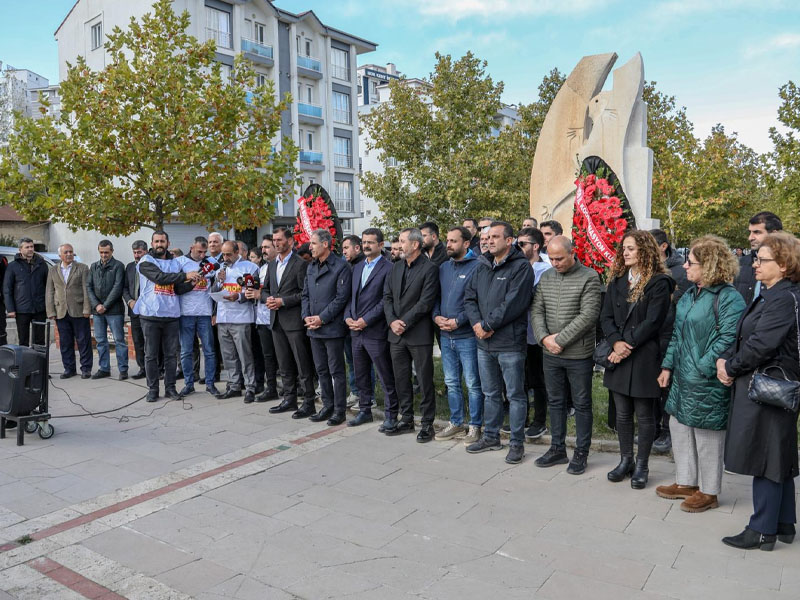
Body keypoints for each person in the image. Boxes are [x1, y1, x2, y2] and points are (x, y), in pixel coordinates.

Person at [718, 232, 800, 550]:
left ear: (783, 264)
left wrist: (731, 367)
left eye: (762, 259)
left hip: (769, 386)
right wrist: (726, 359)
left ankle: (762, 529)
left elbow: (761, 345)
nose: (755, 264)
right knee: (776, 455)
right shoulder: (775, 293)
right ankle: (782, 524)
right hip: (767, 384)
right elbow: (746, 336)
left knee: (764, 456)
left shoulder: (782, 297)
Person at [656, 235, 745, 511]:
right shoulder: (691, 294)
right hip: (683, 377)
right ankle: (686, 482)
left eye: (691, 262)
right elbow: (677, 335)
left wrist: (701, 367)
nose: (685, 266)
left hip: (706, 379)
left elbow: (728, 339)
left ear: (709, 265)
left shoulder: (729, 298)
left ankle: (709, 491)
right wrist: (668, 365)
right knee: (679, 426)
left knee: (707, 434)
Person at [600, 231, 674, 489]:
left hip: (643, 356)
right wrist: (615, 342)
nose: (625, 253)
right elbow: (606, 317)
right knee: (622, 414)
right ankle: (625, 460)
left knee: (644, 416)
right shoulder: (618, 280)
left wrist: (626, 345)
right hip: (619, 354)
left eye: (630, 248)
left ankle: (642, 465)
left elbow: (654, 321)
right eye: (624, 248)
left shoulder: (659, 282)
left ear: (645, 250)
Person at [463, 222, 533, 463]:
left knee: (514, 395)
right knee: (490, 393)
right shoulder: (482, 265)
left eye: (495, 237)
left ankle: (516, 443)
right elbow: (469, 297)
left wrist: (488, 325)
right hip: (484, 343)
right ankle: (491, 437)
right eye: (487, 237)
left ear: (510, 240)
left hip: (509, 343)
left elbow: (514, 303)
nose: (489, 241)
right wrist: (476, 324)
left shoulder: (521, 267)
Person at [531, 236, 602, 474]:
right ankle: (557, 449)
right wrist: (543, 338)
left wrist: (558, 340)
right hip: (550, 352)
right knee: (556, 401)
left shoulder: (590, 277)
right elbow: (537, 309)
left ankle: (581, 452)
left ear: (573, 253)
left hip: (578, 354)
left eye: (559, 258)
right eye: (550, 258)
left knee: (581, 404)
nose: (554, 263)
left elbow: (588, 315)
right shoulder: (547, 276)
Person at [383, 227, 439, 440]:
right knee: (401, 380)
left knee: (424, 381)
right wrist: (391, 322)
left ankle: (427, 424)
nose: (398, 245)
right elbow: (386, 297)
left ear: (415, 244)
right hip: (395, 335)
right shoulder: (396, 268)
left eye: (402, 241)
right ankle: (406, 419)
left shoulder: (430, 269)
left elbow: (425, 302)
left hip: (418, 334)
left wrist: (403, 322)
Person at [135, 231, 198, 401]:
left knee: (171, 355)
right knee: (151, 355)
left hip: (171, 315)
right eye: (156, 241)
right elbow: (160, 278)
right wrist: (185, 276)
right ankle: (153, 389)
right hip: (150, 315)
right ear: (152, 243)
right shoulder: (146, 261)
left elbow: (176, 288)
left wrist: (191, 284)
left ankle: (170, 388)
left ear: (168, 243)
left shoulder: (175, 263)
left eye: (162, 241)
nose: (159, 244)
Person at [432, 226, 482, 443]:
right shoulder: (444, 267)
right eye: (447, 240)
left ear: (466, 243)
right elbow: (435, 297)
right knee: (451, 382)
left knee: (472, 382)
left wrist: (459, 320)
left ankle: (475, 426)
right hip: (445, 335)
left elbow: (479, 302)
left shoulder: (478, 267)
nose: (448, 244)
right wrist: (436, 317)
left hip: (467, 336)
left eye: (453, 241)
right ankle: (456, 422)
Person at [345, 228, 398, 428]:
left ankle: (391, 415)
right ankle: (364, 410)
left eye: (371, 242)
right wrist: (348, 317)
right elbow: (352, 297)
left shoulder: (388, 268)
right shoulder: (358, 267)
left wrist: (366, 320)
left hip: (375, 331)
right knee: (360, 374)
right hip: (356, 331)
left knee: (384, 375)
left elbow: (386, 300)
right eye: (364, 242)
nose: (366, 246)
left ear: (381, 245)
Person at [301, 230, 352, 425]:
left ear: (325, 244)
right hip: (313, 327)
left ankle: (339, 410)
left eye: (313, 243)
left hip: (331, 328)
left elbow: (341, 298)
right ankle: (327, 405)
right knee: (321, 369)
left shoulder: (341, 266)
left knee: (336, 370)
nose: (310, 247)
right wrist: (306, 316)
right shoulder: (311, 266)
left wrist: (321, 318)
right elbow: (305, 294)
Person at [266, 226, 316, 418]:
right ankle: (289, 399)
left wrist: (283, 301)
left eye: (279, 240)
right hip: (276, 321)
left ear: (290, 241)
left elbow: (305, 293)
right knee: (284, 364)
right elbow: (266, 289)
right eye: (274, 240)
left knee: (302, 364)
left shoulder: (299, 263)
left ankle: (309, 401)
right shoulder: (272, 264)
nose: (276, 243)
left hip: (294, 321)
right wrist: (267, 299)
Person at [648, 229, 691, 453]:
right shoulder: (647, 269)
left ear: (663, 246)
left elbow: (676, 305)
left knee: (666, 385)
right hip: (649, 337)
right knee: (651, 385)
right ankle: (652, 428)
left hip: (668, 336)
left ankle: (667, 431)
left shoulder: (679, 272)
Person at [210, 241, 259, 403]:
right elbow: (214, 291)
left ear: (238, 252)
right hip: (224, 317)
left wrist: (238, 296)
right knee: (228, 355)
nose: (225, 258)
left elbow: (252, 292)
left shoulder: (250, 268)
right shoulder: (220, 269)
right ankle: (233, 386)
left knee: (245, 355)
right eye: (223, 254)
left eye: (229, 254)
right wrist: (219, 281)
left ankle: (251, 387)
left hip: (241, 318)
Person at [516, 227, 551, 440]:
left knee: (538, 379)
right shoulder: (516, 267)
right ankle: (521, 419)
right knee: (519, 380)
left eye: (522, 244)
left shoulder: (546, 270)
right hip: (517, 333)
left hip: (536, 334)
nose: (518, 248)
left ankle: (539, 420)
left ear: (535, 246)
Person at [176, 237, 219, 397]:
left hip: (205, 313)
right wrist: (190, 280)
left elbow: (216, 286)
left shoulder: (211, 262)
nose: (202, 255)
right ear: (191, 247)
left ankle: (210, 383)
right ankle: (189, 384)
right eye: (199, 251)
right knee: (186, 351)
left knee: (209, 350)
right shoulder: (180, 262)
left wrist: (215, 311)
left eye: (204, 252)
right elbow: (176, 286)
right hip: (186, 313)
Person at [45, 244, 92, 379]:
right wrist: (51, 311)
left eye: (71, 252)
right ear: (60, 255)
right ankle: (69, 369)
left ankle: (86, 369)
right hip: (61, 311)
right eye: (66, 252)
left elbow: (86, 289)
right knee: (65, 342)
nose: (69, 254)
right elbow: (50, 291)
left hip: (79, 310)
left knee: (83, 341)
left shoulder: (82, 268)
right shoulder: (53, 270)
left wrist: (87, 309)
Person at [87, 240, 128, 379]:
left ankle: (123, 369)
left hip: (114, 310)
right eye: (101, 252)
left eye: (106, 252)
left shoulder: (118, 266)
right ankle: (104, 368)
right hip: (97, 311)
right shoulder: (94, 267)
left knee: (119, 341)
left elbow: (118, 288)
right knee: (100, 341)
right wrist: (97, 305)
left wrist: (105, 305)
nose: (104, 255)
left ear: (112, 251)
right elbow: (89, 287)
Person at [247, 235, 279, 402]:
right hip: (261, 318)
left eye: (267, 247)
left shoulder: (280, 267)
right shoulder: (262, 268)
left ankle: (292, 388)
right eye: (263, 247)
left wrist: (262, 295)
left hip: (277, 318)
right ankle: (271, 387)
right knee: (267, 356)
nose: (264, 250)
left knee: (282, 356)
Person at [3, 237, 48, 347]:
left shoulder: (42, 264)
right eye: (27, 247)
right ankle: (24, 364)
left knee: (40, 340)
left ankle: (39, 363)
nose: (30, 249)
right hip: (21, 309)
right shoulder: (13, 266)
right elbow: (7, 288)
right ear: (20, 249)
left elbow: (48, 287)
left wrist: (49, 307)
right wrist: (10, 309)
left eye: (31, 246)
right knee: (23, 340)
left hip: (39, 308)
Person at [734, 211, 782, 305]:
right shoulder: (739, 264)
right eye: (750, 232)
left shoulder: (790, 265)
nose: (750, 238)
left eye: (757, 232)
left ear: (774, 234)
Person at [341, 234, 365, 407]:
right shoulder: (347, 266)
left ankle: (365, 396)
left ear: (357, 248)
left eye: (346, 248)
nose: (344, 252)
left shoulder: (362, 266)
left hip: (363, 321)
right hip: (349, 320)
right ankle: (355, 391)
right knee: (351, 359)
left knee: (364, 362)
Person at [123, 241, 148, 379]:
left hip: (148, 310)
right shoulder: (130, 267)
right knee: (138, 340)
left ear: (146, 251)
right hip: (134, 310)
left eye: (139, 252)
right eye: (135, 252)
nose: (137, 255)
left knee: (151, 340)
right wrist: (130, 301)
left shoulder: (152, 265)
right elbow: (125, 287)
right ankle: (142, 368)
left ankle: (157, 368)